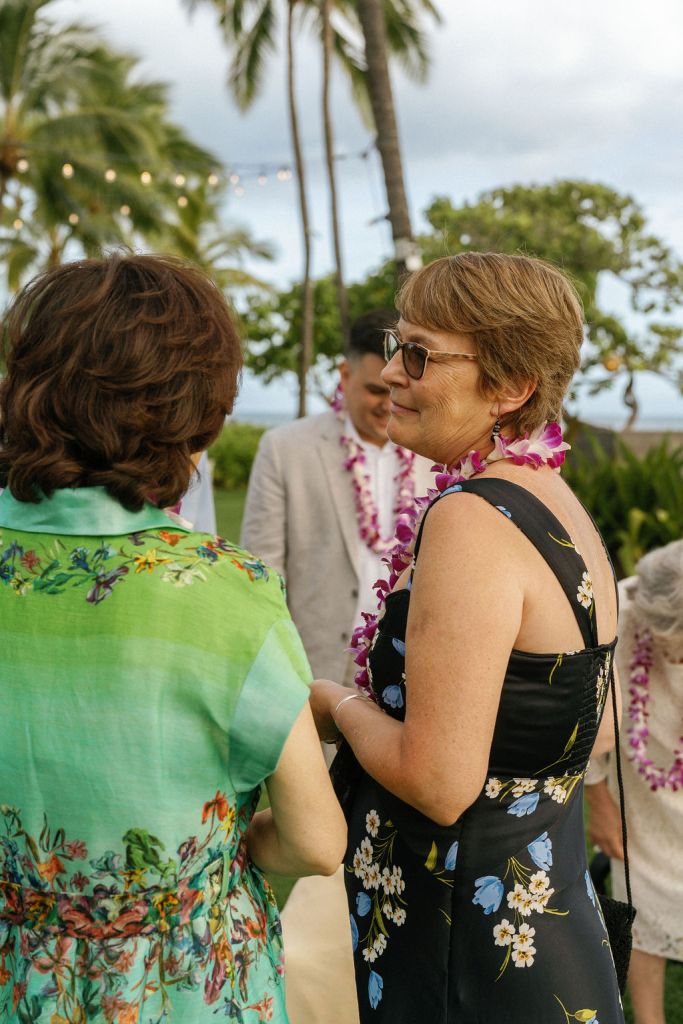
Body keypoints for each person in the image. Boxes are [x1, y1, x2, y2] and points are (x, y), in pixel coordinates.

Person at [0, 253, 346, 1024]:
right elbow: (317, 841)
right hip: (176, 986)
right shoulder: (224, 591)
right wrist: (221, 850)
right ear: (197, 409)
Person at [310, 252, 625, 1022]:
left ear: (510, 386)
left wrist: (333, 703)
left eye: (419, 354)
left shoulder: (472, 520)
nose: (392, 372)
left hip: (465, 956)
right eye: (396, 347)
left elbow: (438, 781)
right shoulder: (553, 502)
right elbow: (591, 730)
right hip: (543, 929)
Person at [240, 311, 432, 1024]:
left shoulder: (436, 456)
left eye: (399, 388)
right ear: (344, 375)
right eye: (375, 389)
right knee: (320, 852)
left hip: (409, 698)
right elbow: (259, 578)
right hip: (312, 688)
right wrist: (284, 693)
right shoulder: (286, 448)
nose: (388, 402)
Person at [586, 539, 683, 1024]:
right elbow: (589, 719)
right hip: (641, 796)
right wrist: (601, 804)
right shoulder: (619, 616)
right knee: (642, 902)